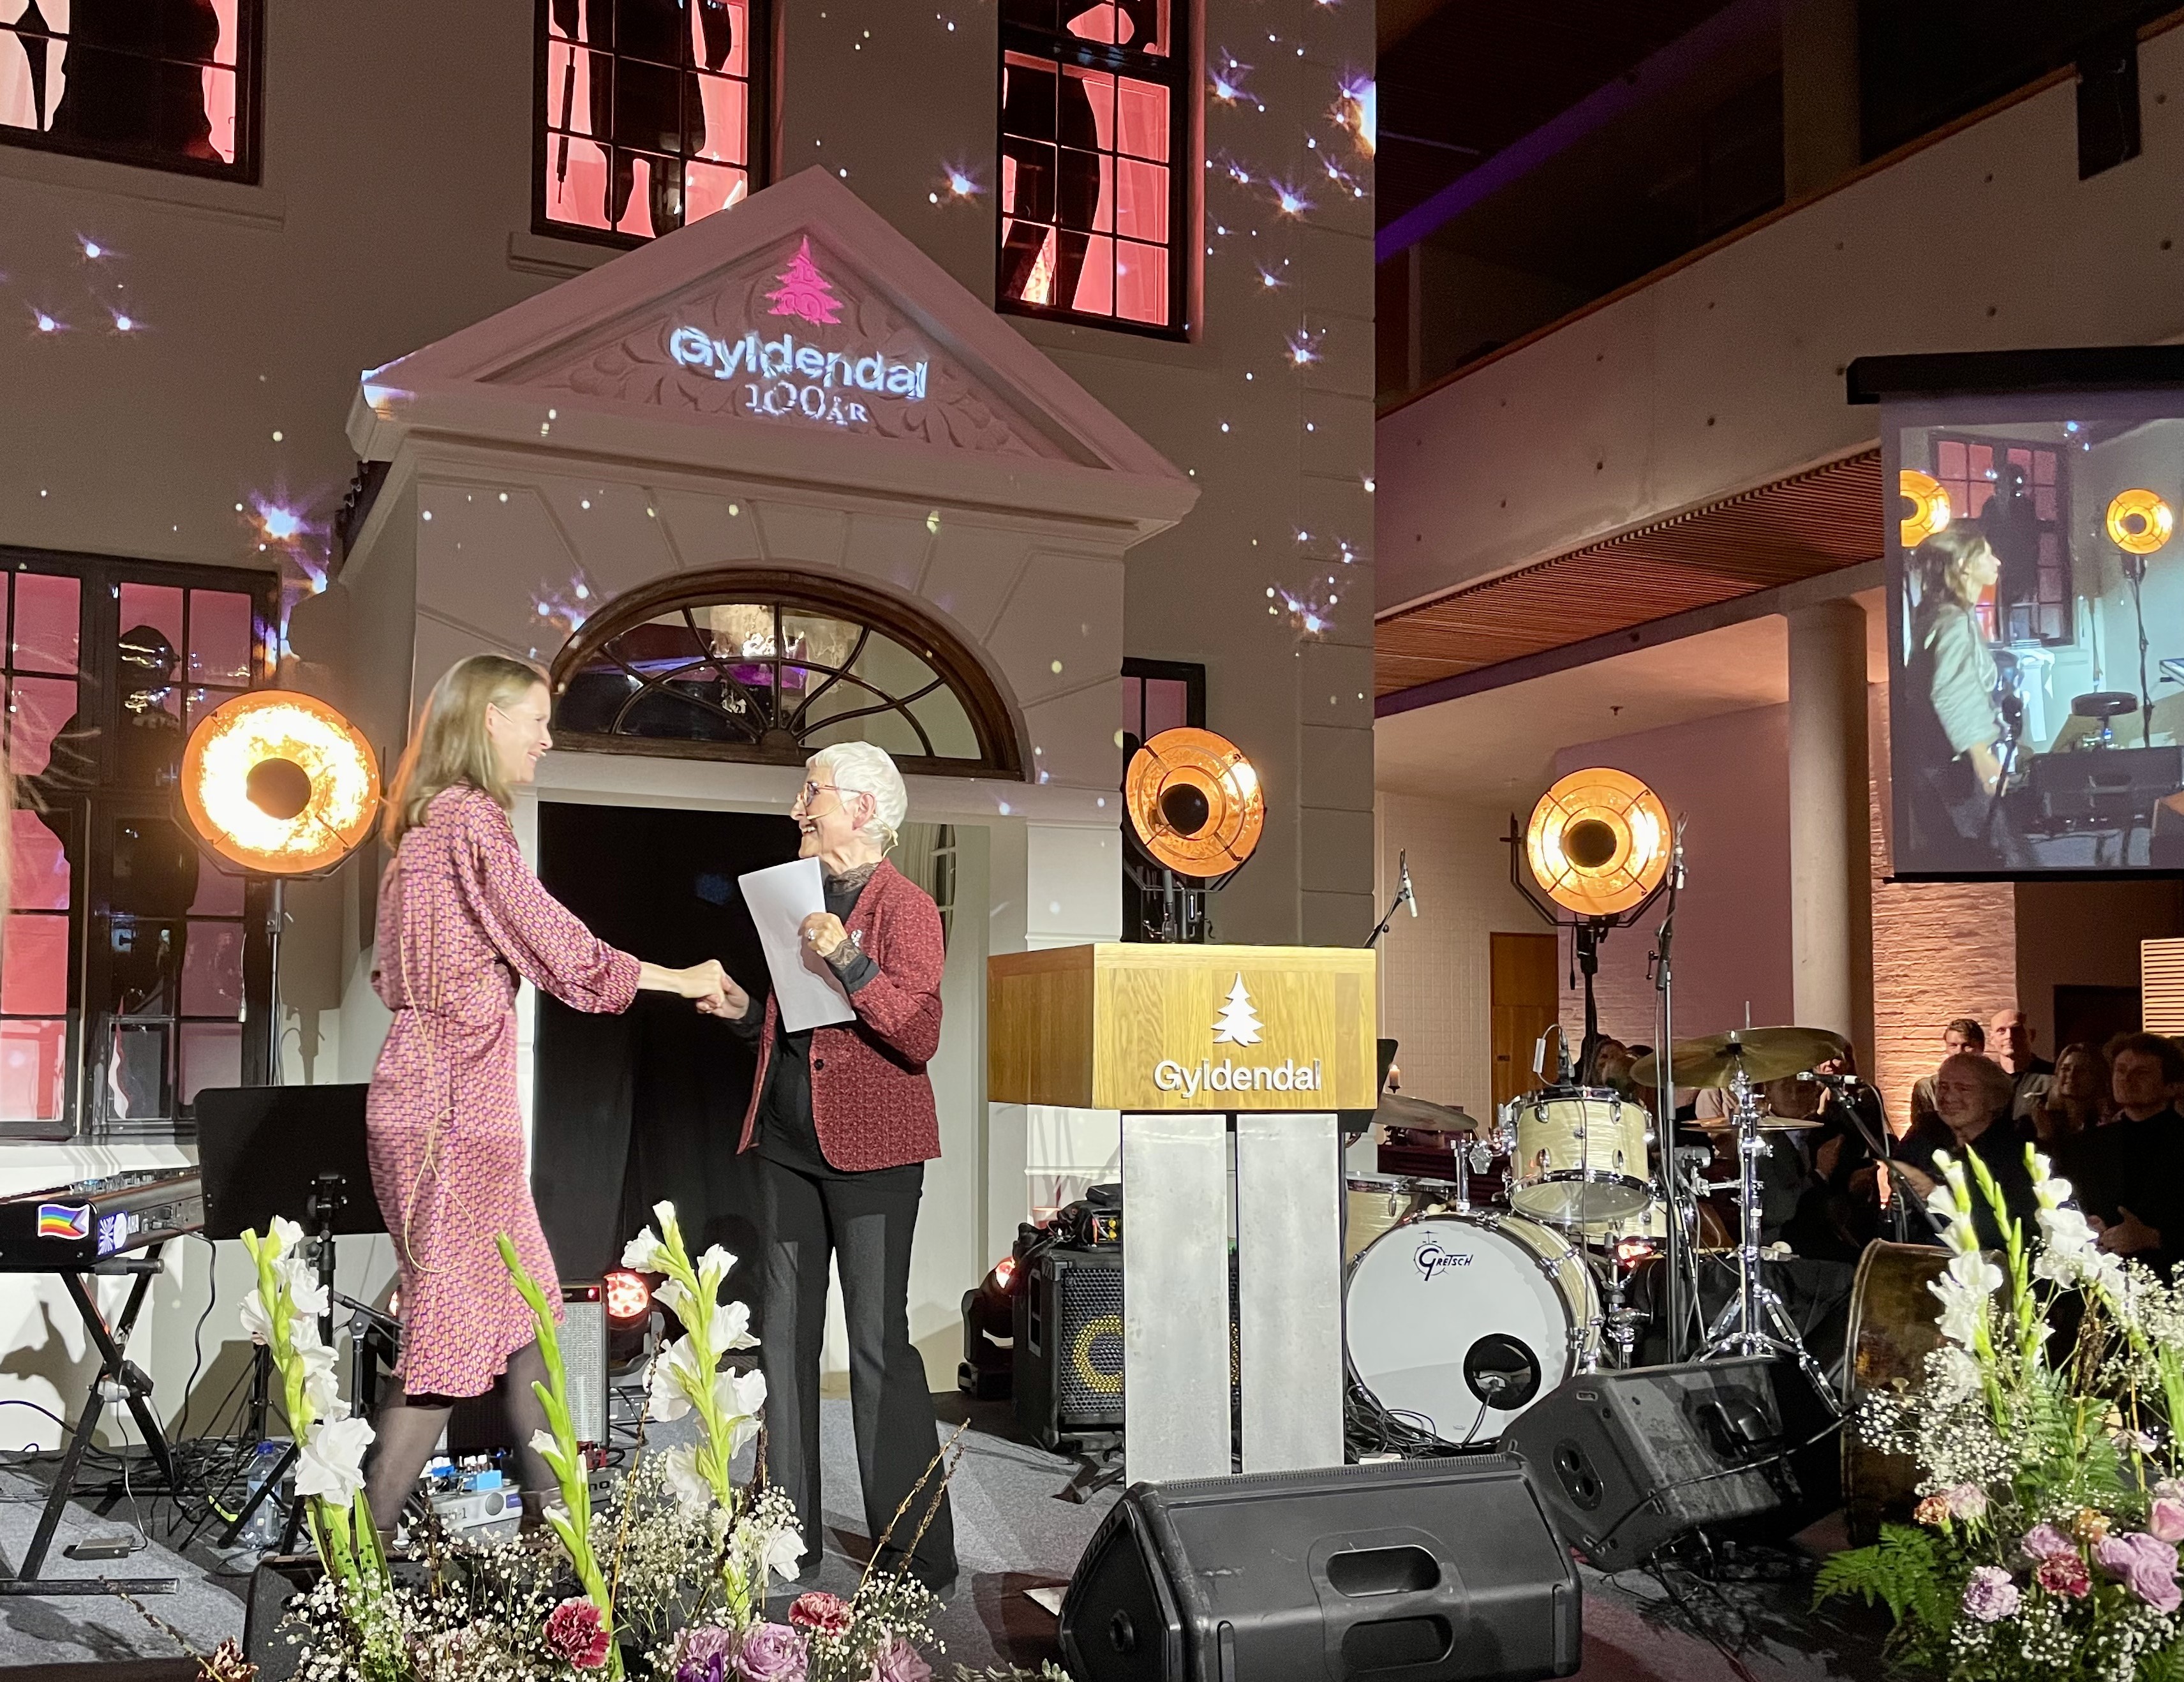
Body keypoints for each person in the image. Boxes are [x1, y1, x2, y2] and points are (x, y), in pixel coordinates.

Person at [361, 655, 729, 1542]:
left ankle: (559, 1537)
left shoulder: (422, 830)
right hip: (452, 1112)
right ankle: (355, 1567)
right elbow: (560, 948)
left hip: (439, 1095)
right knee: (445, 1346)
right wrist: (682, 977)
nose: (546, 738)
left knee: (529, 1319)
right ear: (489, 718)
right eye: (535, 719)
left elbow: (390, 975)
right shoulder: (469, 820)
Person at [708, 741, 958, 1594]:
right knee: (782, 1340)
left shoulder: (906, 906)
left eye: (810, 792)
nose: (797, 808)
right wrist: (743, 1010)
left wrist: (849, 958)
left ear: (861, 807)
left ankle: (916, 1553)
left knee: (877, 1344)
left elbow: (917, 1034)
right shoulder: (798, 894)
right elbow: (800, 1033)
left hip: (874, 1156)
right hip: (786, 1148)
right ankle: (786, 1538)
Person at [1901, 525, 2031, 870]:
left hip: (1939, 764)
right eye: (1986, 554)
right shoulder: (1952, 621)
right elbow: (1951, 690)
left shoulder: (1944, 615)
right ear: (1963, 566)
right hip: (1951, 768)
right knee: (1994, 859)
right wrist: (1980, 755)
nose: (1997, 561)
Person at [1890, 1052, 2037, 1251]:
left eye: (1963, 1088)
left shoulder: (2014, 1149)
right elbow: (1898, 1169)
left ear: (1993, 1099)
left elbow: (2005, 1227)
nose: (1949, 1097)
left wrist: (1937, 1193)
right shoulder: (1925, 1130)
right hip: (1914, 1252)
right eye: (1943, 1087)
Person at [2075, 1032, 2184, 1278]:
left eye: (2141, 1073)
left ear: (2171, 1086)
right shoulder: (2087, 1144)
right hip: (2101, 1278)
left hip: (2171, 1278)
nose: (2126, 1079)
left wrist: (2154, 1238)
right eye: (2121, 1070)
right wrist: (2086, 1225)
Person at [2025, 1041, 2109, 1153]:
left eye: (2081, 1070)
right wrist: (2044, 1137)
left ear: (2097, 1078)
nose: (2071, 1075)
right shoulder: (2037, 1119)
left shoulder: (2105, 1123)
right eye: (2066, 1069)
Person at [1908, 1017, 1987, 1135]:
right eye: (1953, 1046)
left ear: (1981, 1048)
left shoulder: (1996, 1086)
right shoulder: (1927, 1088)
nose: (1959, 1052)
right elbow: (1921, 1133)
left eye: (1967, 1045)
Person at [1989, 1008, 2054, 1120]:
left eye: (2017, 1029)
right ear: (1992, 1039)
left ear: (2031, 1035)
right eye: (2001, 1031)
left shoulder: (2052, 1076)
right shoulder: (1986, 1078)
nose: (2009, 1036)